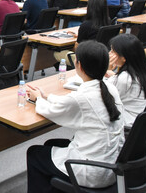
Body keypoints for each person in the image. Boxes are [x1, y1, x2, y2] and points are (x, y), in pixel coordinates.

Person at [26, 41, 124, 192]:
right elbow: (71, 102)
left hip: (93, 172)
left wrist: (38, 99)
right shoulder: (109, 87)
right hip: (111, 167)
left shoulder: (83, 97)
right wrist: (46, 96)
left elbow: (52, 111)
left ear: (80, 66)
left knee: (34, 153)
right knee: (51, 143)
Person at [106, 34, 146, 128]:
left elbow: (103, 97)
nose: (109, 54)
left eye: (112, 51)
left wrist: (104, 69)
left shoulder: (124, 79)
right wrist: (113, 74)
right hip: (143, 121)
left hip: (128, 124)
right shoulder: (144, 71)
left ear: (123, 58)